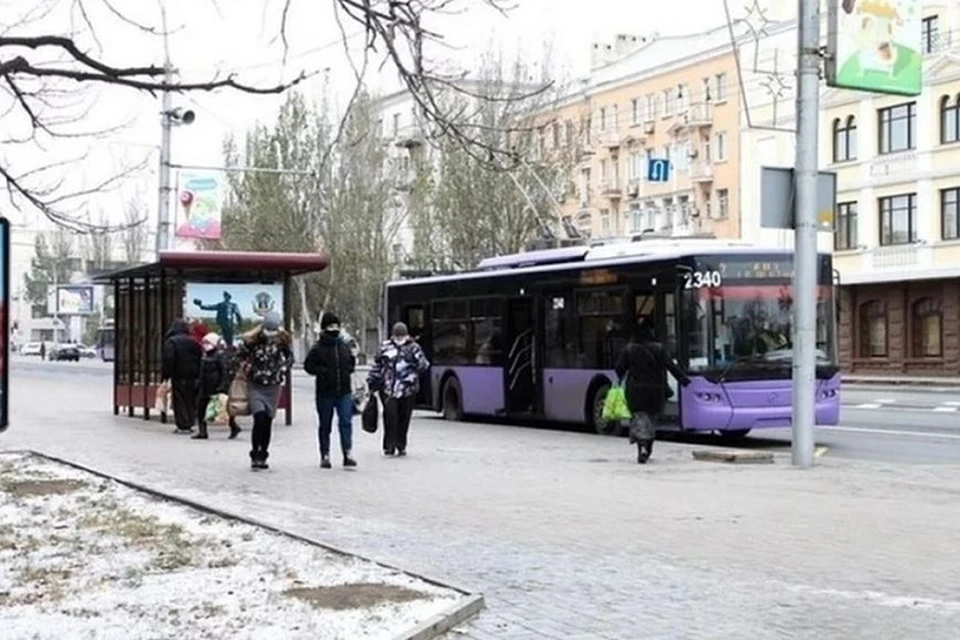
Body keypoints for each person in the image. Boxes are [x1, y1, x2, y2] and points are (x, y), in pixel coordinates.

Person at [614, 320, 690, 464]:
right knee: (651, 422)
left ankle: (642, 447)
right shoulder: (660, 348)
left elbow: (619, 370)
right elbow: (671, 367)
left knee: (640, 420)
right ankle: (647, 448)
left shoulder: (629, 349)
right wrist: (683, 380)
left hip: (636, 392)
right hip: (656, 392)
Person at [237, 311, 292, 469]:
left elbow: (289, 358)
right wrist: (247, 367)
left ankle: (263, 455)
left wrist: (282, 369)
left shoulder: (282, 340)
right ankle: (255, 453)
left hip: (273, 386)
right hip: (256, 384)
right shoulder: (255, 339)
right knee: (259, 417)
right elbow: (241, 354)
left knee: (267, 421)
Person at [367, 322, 430, 457]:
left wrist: (414, 367)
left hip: (408, 390)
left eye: (402, 336)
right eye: (397, 336)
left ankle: (401, 445)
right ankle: (389, 446)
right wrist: (372, 381)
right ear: (393, 335)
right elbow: (377, 365)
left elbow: (424, 365)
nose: (400, 338)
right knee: (390, 416)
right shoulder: (385, 347)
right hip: (389, 389)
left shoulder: (414, 348)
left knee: (404, 417)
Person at [303, 313, 357, 469]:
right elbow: (308, 366)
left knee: (346, 422)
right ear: (324, 328)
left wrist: (348, 369)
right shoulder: (318, 348)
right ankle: (325, 454)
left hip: (344, 391)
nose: (334, 329)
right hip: (325, 392)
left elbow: (351, 365)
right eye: (331, 326)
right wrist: (323, 372)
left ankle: (347, 453)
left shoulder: (344, 346)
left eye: (336, 326)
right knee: (325, 424)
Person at [161, 319, 203, 434]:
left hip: (178, 375)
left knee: (179, 400)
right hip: (193, 376)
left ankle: (182, 424)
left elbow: (169, 359)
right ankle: (190, 422)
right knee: (190, 400)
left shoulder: (171, 342)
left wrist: (166, 375)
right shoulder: (194, 342)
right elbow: (200, 359)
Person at [194, 332, 227, 440]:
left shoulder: (218, 356)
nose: (204, 345)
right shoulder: (204, 356)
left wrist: (221, 385)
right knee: (200, 409)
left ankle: (233, 426)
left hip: (214, 387)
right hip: (204, 387)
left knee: (219, 409)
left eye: (207, 342)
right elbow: (200, 371)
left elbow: (223, 371)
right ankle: (202, 432)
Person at [220, 341, 244, 440]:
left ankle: (233, 425)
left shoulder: (224, 357)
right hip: (234, 384)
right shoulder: (237, 359)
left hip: (227, 384)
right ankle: (233, 425)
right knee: (231, 406)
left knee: (228, 406)